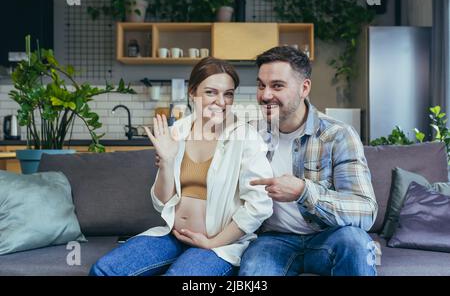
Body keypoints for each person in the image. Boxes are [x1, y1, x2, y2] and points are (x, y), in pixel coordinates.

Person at [89, 57, 273, 276]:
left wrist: (211, 242)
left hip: (218, 244)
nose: (221, 102)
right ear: (193, 93)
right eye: (211, 92)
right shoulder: (178, 131)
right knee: (103, 270)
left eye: (228, 94)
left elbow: (259, 205)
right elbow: (162, 203)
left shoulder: (246, 137)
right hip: (172, 235)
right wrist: (166, 163)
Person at [238, 46, 379, 276]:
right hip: (272, 239)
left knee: (355, 242)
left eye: (277, 86)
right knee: (254, 271)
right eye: (261, 85)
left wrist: (304, 191)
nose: (265, 95)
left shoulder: (338, 135)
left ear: (304, 88)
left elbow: (365, 210)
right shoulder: (249, 135)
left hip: (328, 236)